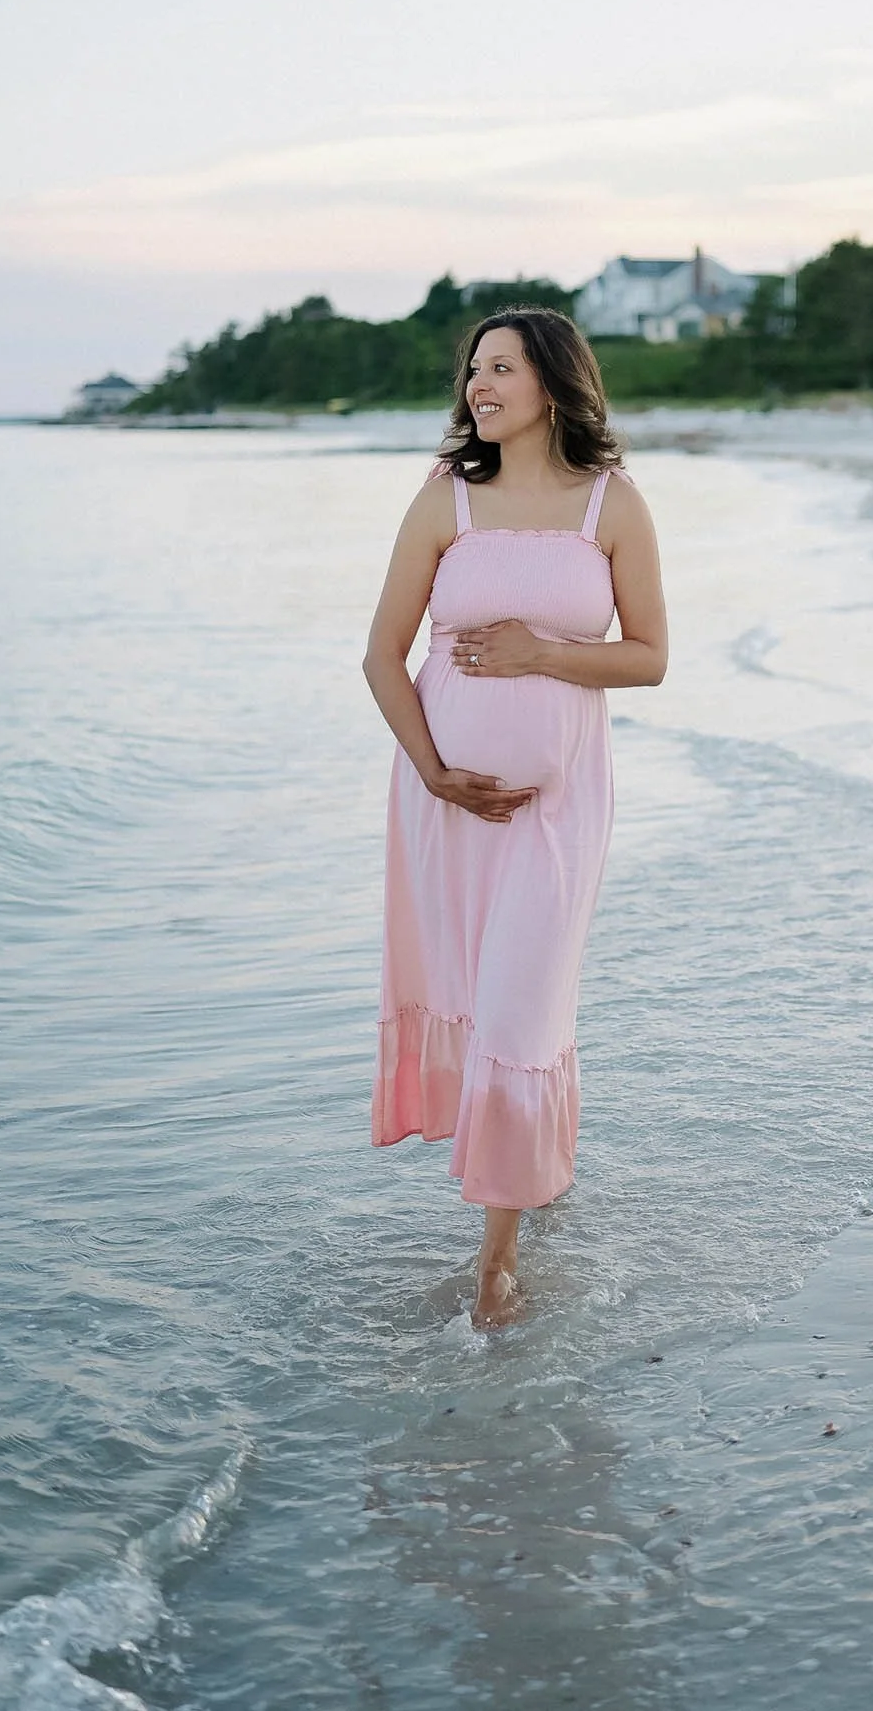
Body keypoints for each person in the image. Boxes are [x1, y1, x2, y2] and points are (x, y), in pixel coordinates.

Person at [363, 307, 668, 1326]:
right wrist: (437, 773)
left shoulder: (610, 505)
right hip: (446, 806)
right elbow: (380, 656)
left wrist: (542, 655)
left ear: (552, 381)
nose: (478, 384)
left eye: (500, 367)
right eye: (472, 370)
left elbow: (649, 657)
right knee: (486, 995)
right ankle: (526, 1185)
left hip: (560, 806)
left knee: (521, 1002)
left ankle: (495, 1258)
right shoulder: (444, 497)